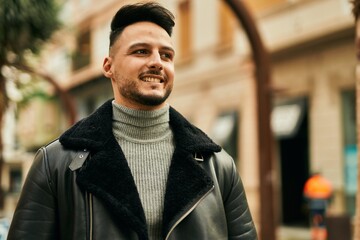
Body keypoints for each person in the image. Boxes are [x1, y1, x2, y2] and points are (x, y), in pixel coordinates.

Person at [7, 2, 257, 240]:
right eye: (141, 51)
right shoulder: (55, 163)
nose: (157, 62)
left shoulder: (219, 166)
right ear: (109, 66)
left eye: (166, 55)